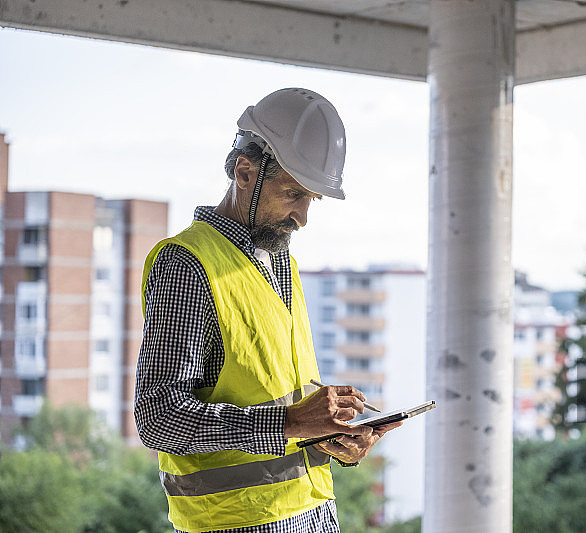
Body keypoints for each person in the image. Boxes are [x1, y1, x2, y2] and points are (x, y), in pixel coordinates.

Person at [134, 88, 401, 533]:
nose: (302, 218)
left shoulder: (281, 263)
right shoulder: (188, 264)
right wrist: (292, 422)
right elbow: (159, 416)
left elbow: (272, 397)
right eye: (293, 193)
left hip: (313, 512)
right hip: (235, 522)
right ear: (244, 171)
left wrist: (328, 436)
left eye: (311, 199)